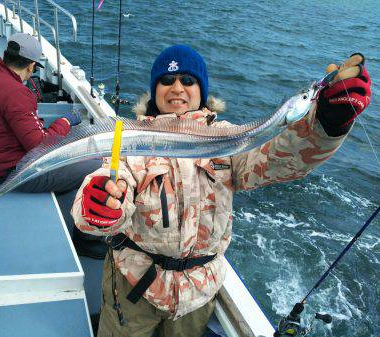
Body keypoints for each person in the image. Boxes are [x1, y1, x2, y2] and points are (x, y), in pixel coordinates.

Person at [71, 45, 372, 337]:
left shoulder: (230, 138)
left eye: (187, 80)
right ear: (154, 89)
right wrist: (99, 206)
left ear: (202, 89)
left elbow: (280, 159)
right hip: (133, 285)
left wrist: (325, 124)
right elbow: (109, 182)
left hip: (198, 291)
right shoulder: (132, 138)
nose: (177, 88)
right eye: (167, 80)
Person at [0, 33, 98, 193]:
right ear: (30, 66)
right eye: (35, 68)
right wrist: (65, 121)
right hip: (16, 173)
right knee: (97, 164)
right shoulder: (17, 93)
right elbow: (40, 146)